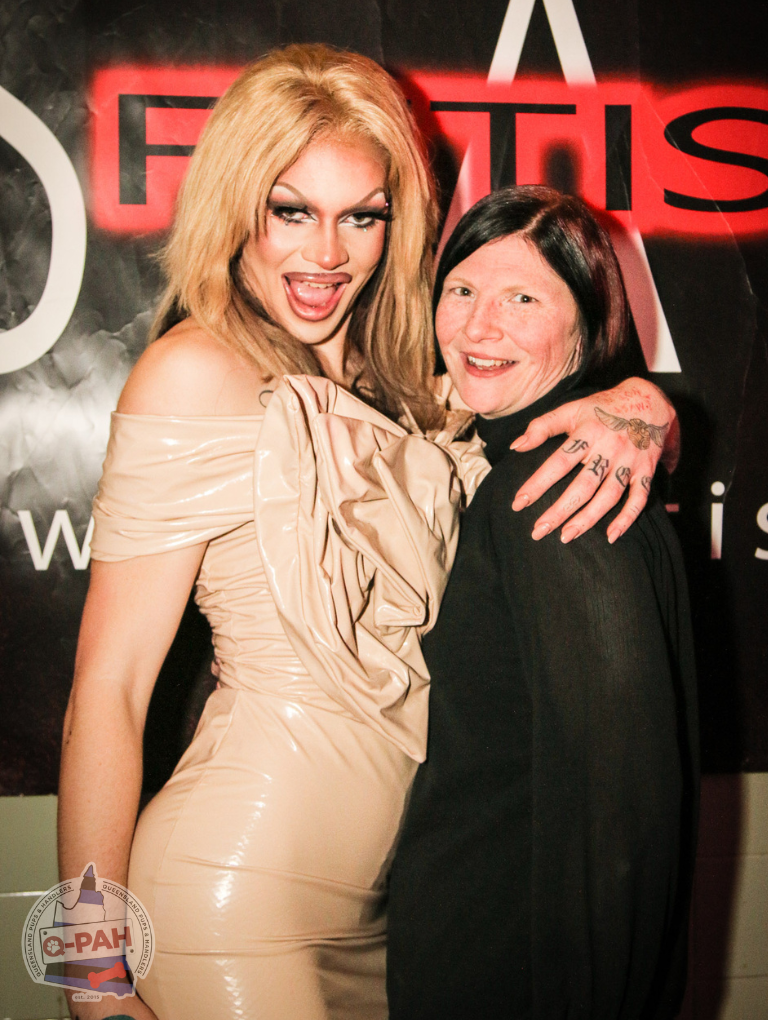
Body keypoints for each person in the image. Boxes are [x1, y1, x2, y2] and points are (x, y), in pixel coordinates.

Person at [58, 47, 679, 1020]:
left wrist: (646, 406)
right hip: (235, 892)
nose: (327, 254)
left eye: (362, 216)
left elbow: (545, 384)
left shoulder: (399, 384)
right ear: (235, 209)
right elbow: (109, 689)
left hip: (390, 926)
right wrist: (89, 977)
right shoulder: (196, 372)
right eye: (290, 210)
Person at [386, 186, 699, 1020]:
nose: (478, 327)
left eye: (522, 299)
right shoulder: (531, 462)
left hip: (506, 976)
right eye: (462, 290)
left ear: (588, 326)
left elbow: (618, 812)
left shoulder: (553, 487)